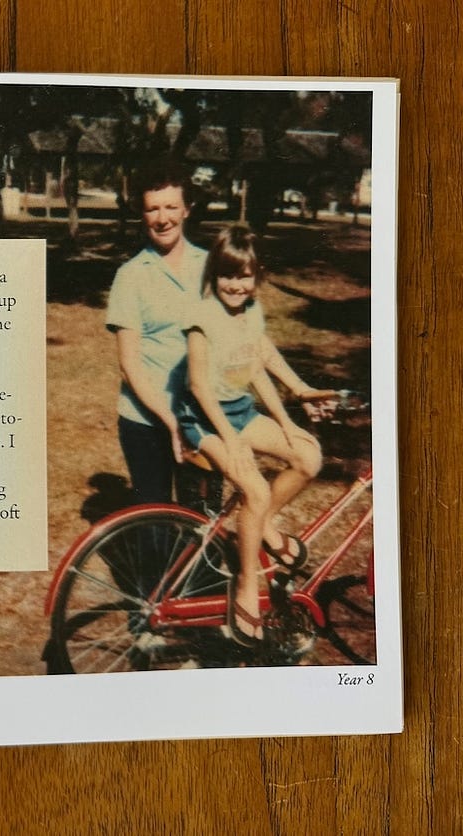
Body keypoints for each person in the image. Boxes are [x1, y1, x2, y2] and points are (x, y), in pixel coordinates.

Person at [177, 226, 325, 645]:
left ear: (256, 277)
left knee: (308, 456)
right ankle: (246, 585)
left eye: (244, 276)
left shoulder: (251, 311)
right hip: (204, 421)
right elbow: (199, 387)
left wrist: (286, 420)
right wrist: (234, 443)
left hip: (238, 413)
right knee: (255, 490)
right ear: (213, 275)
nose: (235, 285)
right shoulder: (201, 320)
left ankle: (258, 526)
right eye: (226, 275)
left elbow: (257, 365)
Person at [105, 159, 209, 505]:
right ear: (142, 214)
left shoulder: (212, 267)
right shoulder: (131, 276)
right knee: (155, 524)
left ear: (187, 210)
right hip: (146, 421)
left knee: (205, 518)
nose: (162, 218)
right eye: (152, 209)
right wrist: (169, 420)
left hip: (203, 416)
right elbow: (129, 365)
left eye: (170, 207)